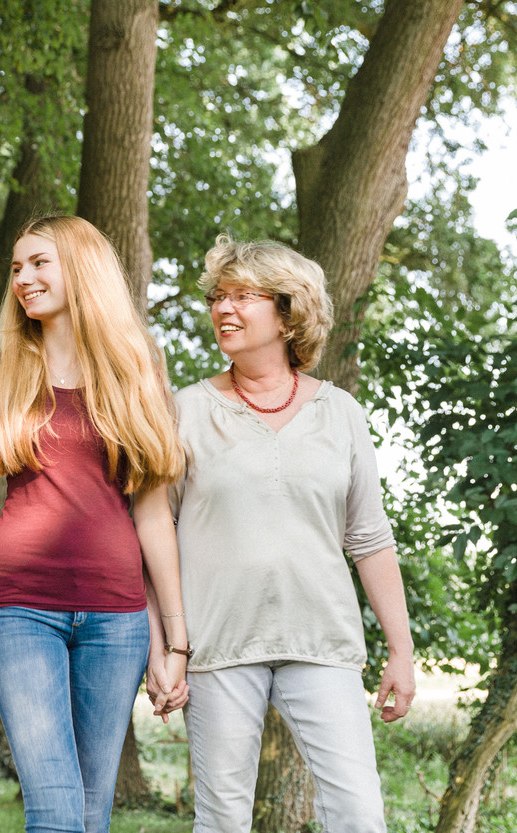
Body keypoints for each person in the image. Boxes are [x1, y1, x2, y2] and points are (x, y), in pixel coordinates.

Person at [0, 215, 190, 833]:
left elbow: (154, 515)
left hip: (118, 621)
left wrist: (173, 641)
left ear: (81, 268)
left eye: (39, 263)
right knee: (55, 811)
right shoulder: (0, 377)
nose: (23, 278)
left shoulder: (138, 374)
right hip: (21, 612)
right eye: (17, 268)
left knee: (90, 812)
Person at [162, 234, 415, 833]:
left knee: (358, 814)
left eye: (243, 296)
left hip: (321, 643)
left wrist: (401, 651)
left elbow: (370, 538)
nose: (223, 308)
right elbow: (155, 538)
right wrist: (165, 648)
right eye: (218, 297)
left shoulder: (341, 413)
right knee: (222, 821)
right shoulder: (183, 411)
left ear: (288, 311)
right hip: (217, 646)